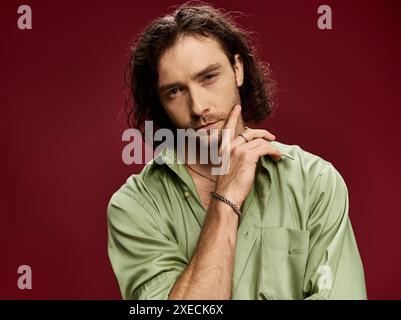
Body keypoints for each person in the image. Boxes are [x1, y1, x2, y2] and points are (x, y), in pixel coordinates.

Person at [107, 3, 366, 300]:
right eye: (175, 91)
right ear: (161, 102)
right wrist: (225, 198)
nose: (198, 107)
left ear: (238, 69)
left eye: (208, 77)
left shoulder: (314, 182)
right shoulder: (136, 206)